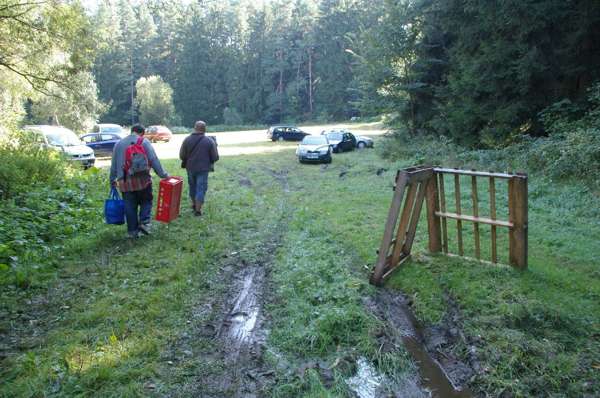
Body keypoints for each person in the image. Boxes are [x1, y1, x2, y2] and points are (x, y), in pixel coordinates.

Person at [110, 124, 169, 238]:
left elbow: (114, 165)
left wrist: (112, 179)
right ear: (142, 133)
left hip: (125, 181)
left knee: (129, 205)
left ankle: (132, 231)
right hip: (142, 179)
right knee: (146, 200)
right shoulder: (144, 142)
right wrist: (163, 175)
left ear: (132, 131)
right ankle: (144, 223)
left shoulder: (118, 144)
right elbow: (153, 159)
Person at [179, 120, 219, 216]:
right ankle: (198, 210)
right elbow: (215, 157)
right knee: (200, 188)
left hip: (190, 168)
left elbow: (181, 156)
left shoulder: (187, 140)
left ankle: (194, 204)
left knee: (192, 187)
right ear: (204, 129)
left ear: (195, 128)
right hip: (203, 169)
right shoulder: (209, 141)